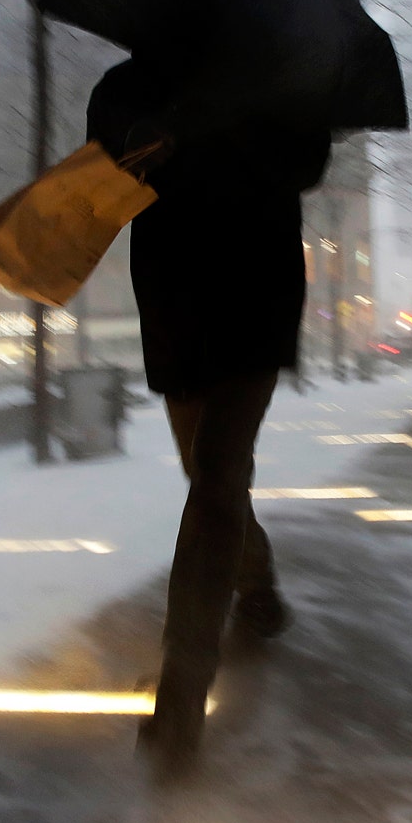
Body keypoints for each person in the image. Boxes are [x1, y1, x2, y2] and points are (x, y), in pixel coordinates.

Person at [87, 52, 331, 783]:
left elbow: (308, 160)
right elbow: (107, 156)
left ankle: (180, 698)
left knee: (218, 477)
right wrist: (159, 131)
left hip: (254, 306)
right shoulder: (131, 84)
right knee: (209, 474)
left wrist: (236, 114)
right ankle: (255, 585)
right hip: (177, 313)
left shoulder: (280, 75)